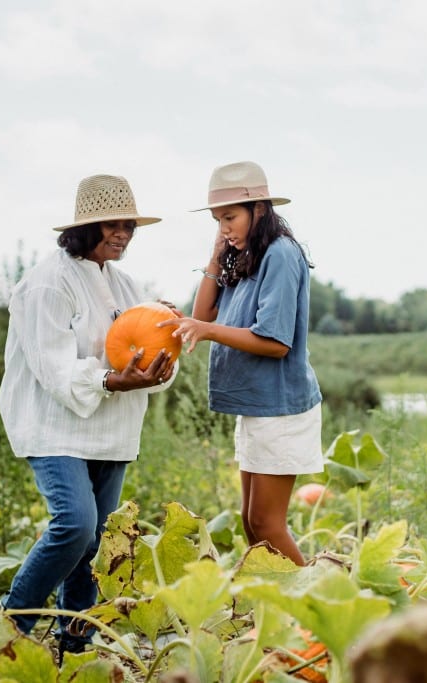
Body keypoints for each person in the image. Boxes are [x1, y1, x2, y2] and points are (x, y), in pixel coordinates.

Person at [0, 173, 177, 655]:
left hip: (110, 431)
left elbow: (141, 355)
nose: (123, 234)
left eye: (129, 226)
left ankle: (76, 646)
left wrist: (166, 342)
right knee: (74, 525)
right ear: (83, 228)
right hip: (55, 426)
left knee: (94, 542)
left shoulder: (127, 285)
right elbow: (53, 369)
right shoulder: (45, 284)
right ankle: (9, 630)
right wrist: (110, 380)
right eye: (112, 225)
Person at [161, 161, 322, 566]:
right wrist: (215, 258)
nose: (224, 228)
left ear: (260, 210)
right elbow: (205, 311)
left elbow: (275, 342)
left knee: (268, 525)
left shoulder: (281, 255)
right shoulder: (246, 254)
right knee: (252, 524)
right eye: (217, 220)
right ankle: (280, 612)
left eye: (229, 217)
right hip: (257, 406)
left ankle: (314, 609)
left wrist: (205, 330)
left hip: (280, 406)